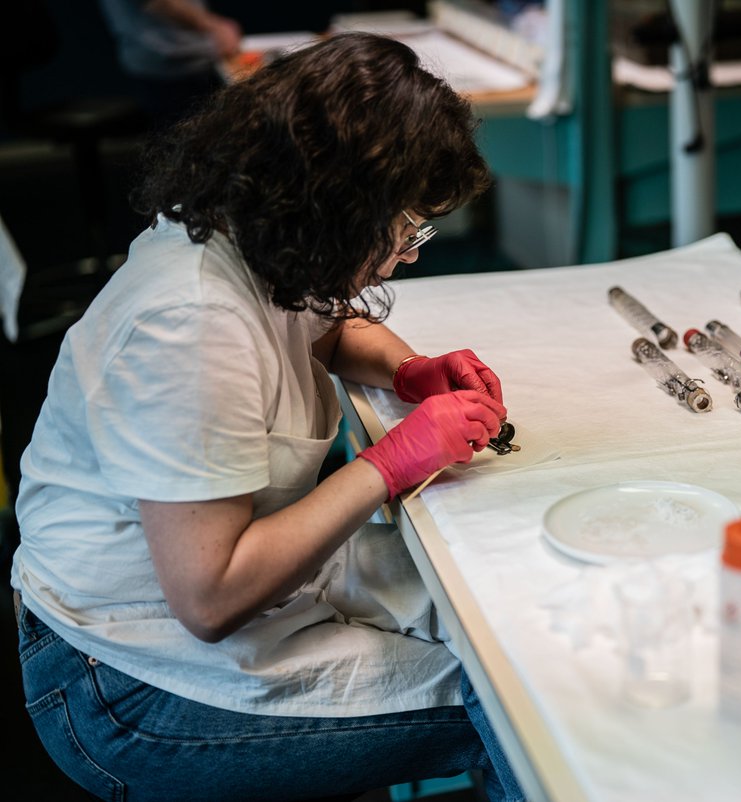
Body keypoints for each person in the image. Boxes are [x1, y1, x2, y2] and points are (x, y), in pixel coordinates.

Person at [11, 32, 524, 802]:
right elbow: (210, 597)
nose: (412, 254)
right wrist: (388, 465)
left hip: (209, 597)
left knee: (492, 614)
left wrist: (404, 369)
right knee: (504, 701)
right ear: (338, 209)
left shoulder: (256, 231)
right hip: (123, 680)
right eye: (406, 230)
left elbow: (321, 326)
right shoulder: (190, 324)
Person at [98, 0, 242, 126]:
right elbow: (157, 2)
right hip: (169, 64)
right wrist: (215, 26)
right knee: (188, 139)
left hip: (186, 59)